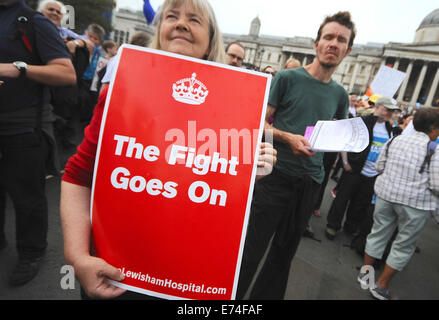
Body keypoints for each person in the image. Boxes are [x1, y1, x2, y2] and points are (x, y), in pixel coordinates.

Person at [60, 0, 276, 300]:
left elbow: (214, 193)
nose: (181, 23)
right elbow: (77, 174)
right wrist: (78, 257)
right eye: (171, 16)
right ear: (160, 30)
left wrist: (245, 175)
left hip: (185, 281)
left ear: (211, 39)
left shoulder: (233, 115)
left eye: (194, 19)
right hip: (114, 273)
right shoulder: (119, 94)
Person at [236, 11, 356, 300]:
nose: (333, 44)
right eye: (328, 37)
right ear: (316, 44)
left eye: (341, 40)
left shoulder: (341, 95)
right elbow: (258, 123)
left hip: (309, 184)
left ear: (348, 51)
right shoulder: (287, 78)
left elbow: (336, 135)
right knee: (249, 253)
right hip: (273, 178)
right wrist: (286, 137)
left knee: (282, 258)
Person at [0, 0, 76, 286]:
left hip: (24, 128)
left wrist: (17, 68)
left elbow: (66, 73)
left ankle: (31, 252)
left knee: (27, 197)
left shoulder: (34, 21)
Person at [358, 107, 439, 300]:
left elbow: (379, 166)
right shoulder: (434, 149)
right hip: (415, 203)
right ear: (434, 128)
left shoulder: (395, 139)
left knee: (378, 234)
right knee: (403, 244)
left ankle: (366, 275)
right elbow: (436, 184)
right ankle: (381, 285)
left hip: (387, 194)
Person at [325, 97, 400, 240]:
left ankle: (351, 226)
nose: (389, 113)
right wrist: (345, 162)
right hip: (354, 169)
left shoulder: (390, 129)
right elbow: (346, 140)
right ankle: (333, 225)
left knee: (361, 202)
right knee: (342, 198)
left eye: (392, 111)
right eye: (387, 109)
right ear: (377, 107)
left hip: (372, 173)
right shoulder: (363, 122)